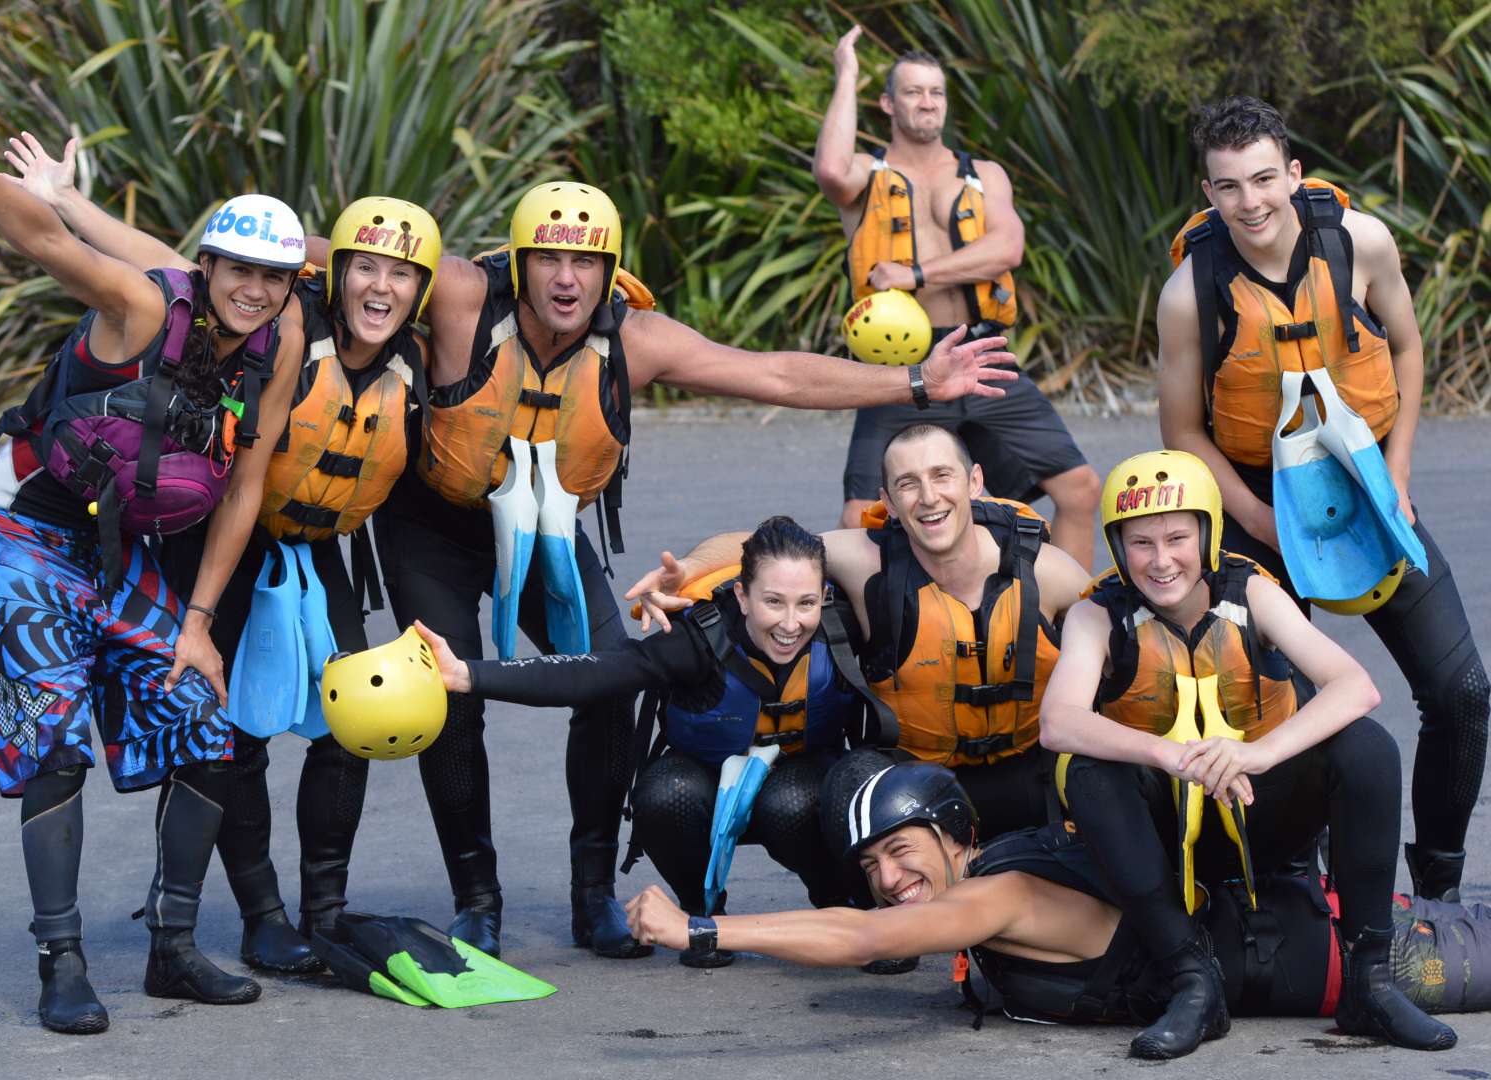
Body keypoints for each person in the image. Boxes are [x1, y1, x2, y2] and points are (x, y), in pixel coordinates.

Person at [340, 180, 1020, 960]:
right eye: (552, 261)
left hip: (545, 524)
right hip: (431, 523)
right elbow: (336, 255)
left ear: (610, 271)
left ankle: (592, 892)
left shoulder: (638, 339)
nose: (569, 279)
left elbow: (775, 376)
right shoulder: (460, 296)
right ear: (522, 263)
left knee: (611, 679)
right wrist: (242, 276)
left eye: (587, 264)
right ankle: (477, 899)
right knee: (445, 699)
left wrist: (914, 383)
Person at [0, 62, 307, 1032]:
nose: (255, 292)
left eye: (274, 278)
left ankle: (171, 948)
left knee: (203, 722)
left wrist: (199, 624)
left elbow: (246, 481)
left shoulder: (275, 341)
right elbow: (41, 238)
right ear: (204, 269)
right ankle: (61, 960)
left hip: (117, 553)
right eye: (238, 270)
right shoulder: (144, 306)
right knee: (56, 740)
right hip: (24, 530)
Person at [4, 133, 443, 974]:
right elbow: (162, 264)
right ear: (332, 273)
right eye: (364, 269)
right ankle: (261, 914)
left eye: (400, 276)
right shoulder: (280, 318)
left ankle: (324, 908)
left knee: (355, 722)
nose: (380, 289)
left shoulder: (410, 363)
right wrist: (64, 200)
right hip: (229, 544)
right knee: (226, 729)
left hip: (321, 552)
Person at [1156, 95, 1487, 902]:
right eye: (1229, 187)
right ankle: (1299, 886)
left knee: (1462, 692)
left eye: (1265, 178)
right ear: (1208, 193)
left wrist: (1398, 475)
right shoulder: (1186, 293)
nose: (1251, 202)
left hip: (1366, 484)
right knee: (1278, 714)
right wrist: (1261, 520)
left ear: (1294, 174)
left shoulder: (1360, 243)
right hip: (1256, 502)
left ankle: (1437, 883)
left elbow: (1407, 350)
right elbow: (1183, 434)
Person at [1038, 448, 1457, 1056]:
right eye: (1141, 543)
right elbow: (1059, 722)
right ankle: (1191, 979)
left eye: (1177, 538)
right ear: (1118, 546)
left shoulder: (1253, 592)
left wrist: (1258, 754)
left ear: (1207, 534)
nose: (1161, 561)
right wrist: (1173, 756)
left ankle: (1369, 979)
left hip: (1257, 810)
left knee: (1367, 747)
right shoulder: (1096, 614)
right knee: (1087, 769)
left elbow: (1355, 686)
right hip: (1161, 833)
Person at [625, 762, 1482, 1044]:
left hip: (1377, 949)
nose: (888, 878)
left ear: (957, 834)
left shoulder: (1001, 892)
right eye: (872, 865)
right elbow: (862, 919)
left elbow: (860, 935)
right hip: (1310, 943)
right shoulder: (992, 890)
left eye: (900, 850)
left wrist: (700, 929)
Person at [415, 517, 876, 968]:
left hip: (803, 786)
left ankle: (848, 908)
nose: (791, 624)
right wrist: (470, 674)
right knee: (666, 794)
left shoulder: (843, 631)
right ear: (742, 593)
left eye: (806, 604)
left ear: (825, 597)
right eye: (773, 602)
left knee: (793, 801)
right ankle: (702, 913)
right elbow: (594, 673)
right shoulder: (699, 637)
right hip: (705, 785)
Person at [629, 423, 1089, 848]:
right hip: (916, 778)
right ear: (888, 501)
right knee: (850, 777)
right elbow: (758, 548)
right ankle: (859, 909)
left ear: (974, 482)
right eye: (908, 483)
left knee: (1107, 774)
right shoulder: (865, 559)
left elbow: (1117, 639)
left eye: (941, 476)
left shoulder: (1048, 573)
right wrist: (688, 569)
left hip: (1034, 777)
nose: (928, 497)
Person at [812, 27, 1099, 565]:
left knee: (1080, 489)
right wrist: (846, 72)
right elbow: (828, 168)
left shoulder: (984, 175)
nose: (928, 102)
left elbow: (1006, 248)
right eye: (914, 91)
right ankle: (866, 640)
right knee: (860, 516)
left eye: (936, 92)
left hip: (981, 351)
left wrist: (914, 274)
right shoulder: (864, 179)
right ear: (888, 103)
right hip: (900, 365)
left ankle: (1063, 624)